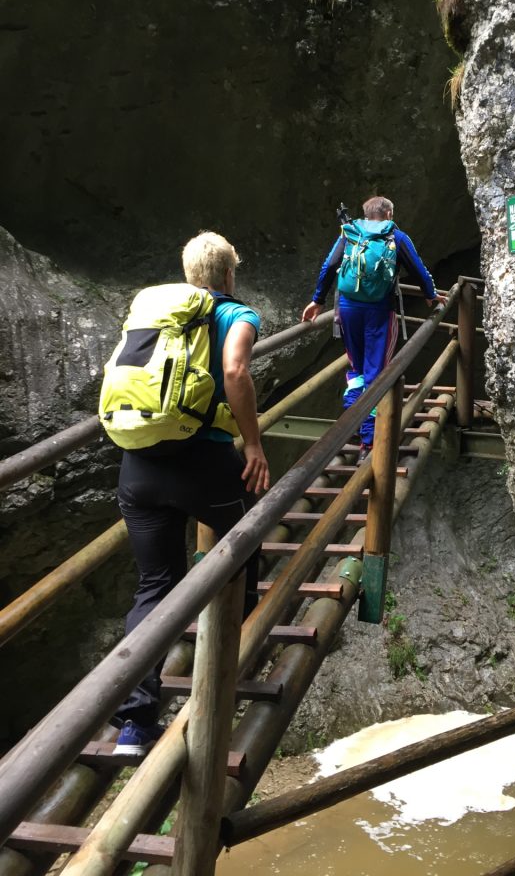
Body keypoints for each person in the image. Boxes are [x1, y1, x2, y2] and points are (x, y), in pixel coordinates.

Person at [112, 231, 270, 757]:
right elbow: (235, 370)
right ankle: (235, 655)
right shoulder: (238, 314)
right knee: (244, 546)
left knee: (155, 583)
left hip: (138, 465)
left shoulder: (156, 314)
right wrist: (253, 443)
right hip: (201, 464)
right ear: (229, 273)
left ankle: (133, 724)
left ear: (187, 274)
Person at [301, 196, 445, 461]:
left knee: (356, 369)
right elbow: (418, 268)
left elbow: (330, 265)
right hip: (379, 311)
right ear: (389, 213)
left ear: (365, 215)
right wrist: (431, 294)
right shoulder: (397, 237)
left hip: (348, 309)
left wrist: (317, 300)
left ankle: (353, 419)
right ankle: (368, 442)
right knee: (376, 373)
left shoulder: (350, 232)